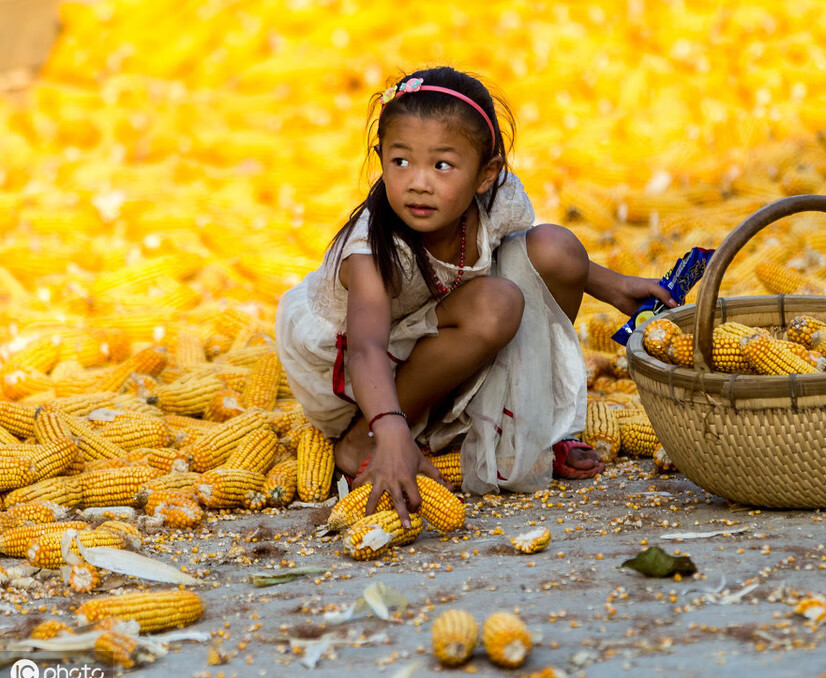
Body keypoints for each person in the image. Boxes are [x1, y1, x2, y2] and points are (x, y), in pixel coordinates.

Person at [275, 66, 675, 524]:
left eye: (442, 165)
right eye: (400, 161)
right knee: (496, 306)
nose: (418, 182)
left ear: (487, 175)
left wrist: (618, 288)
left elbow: (535, 259)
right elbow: (366, 349)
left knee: (556, 248)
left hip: (434, 322)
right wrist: (388, 430)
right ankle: (365, 438)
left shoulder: (496, 200)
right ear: (380, 156)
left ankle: (530, 418)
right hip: (353, 362)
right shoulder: (371, 250)